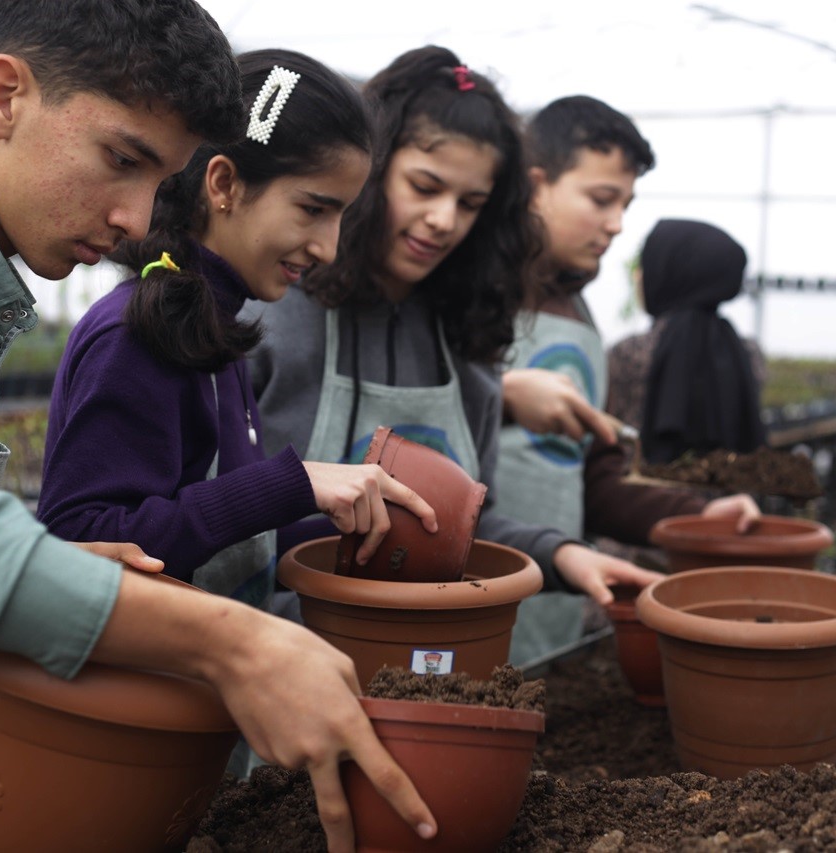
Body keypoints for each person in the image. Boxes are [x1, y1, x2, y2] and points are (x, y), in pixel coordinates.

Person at [0, 4, 436, 851]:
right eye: (122, 159)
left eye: (159, 180)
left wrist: (58, 565)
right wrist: (231, 642)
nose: (138, 219)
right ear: (4, 96)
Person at [246, 46, 662, 616]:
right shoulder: (273, 316)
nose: (444, 220)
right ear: (367, 173)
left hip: (423, 647)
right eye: (424, 187)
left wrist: (563, 555)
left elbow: (464, 524)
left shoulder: (466, 340)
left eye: (470, 203)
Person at [37, 48, 436, 620]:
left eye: (341, 216)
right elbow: (81, 539)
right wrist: (291, 485)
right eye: (313, 209)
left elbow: (219, 530)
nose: (329, 247)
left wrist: (352, 521)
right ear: (224, 183)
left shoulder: (209, 327)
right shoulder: (136, 335)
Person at [495, 96, 760, 662]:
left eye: (625, 205)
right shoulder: (473, 298)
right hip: (459, 601)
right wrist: (503, 399)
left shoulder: (579, 316)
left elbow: (595, 478)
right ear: (536, 186)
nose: (616, 225)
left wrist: (695, 514)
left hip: (551, 610)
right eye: (600, 200)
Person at [607, 217, 768, 464]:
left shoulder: (630, 353)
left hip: (638, 485)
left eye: (647, 265)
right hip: (731, 487)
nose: (638, 276)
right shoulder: (749, 353)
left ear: (668, 273)